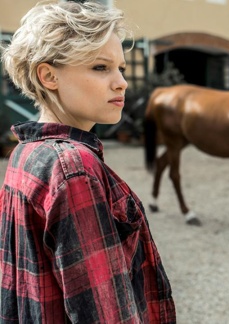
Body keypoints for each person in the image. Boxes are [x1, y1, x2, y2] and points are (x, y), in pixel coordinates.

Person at [0, 2, 176, 322]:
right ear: (49, 75)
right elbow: (106, 313)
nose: (121, 82)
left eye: (120, 68)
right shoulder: (74, 168)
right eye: (100, 67)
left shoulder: (25, 154)